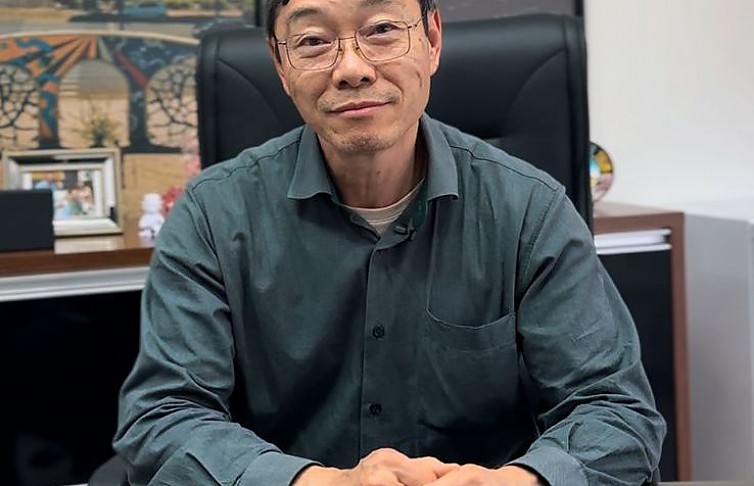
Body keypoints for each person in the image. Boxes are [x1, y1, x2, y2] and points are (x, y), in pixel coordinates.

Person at [113, 0, 666, 484]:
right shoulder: (213, 215)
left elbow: (615, 412)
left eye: (381, 30)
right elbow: (164, 418)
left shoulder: (529, 210)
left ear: (432, 40)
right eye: (313, 41)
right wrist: (322, 483)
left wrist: (518, 481)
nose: (352, 69)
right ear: (281, 66)